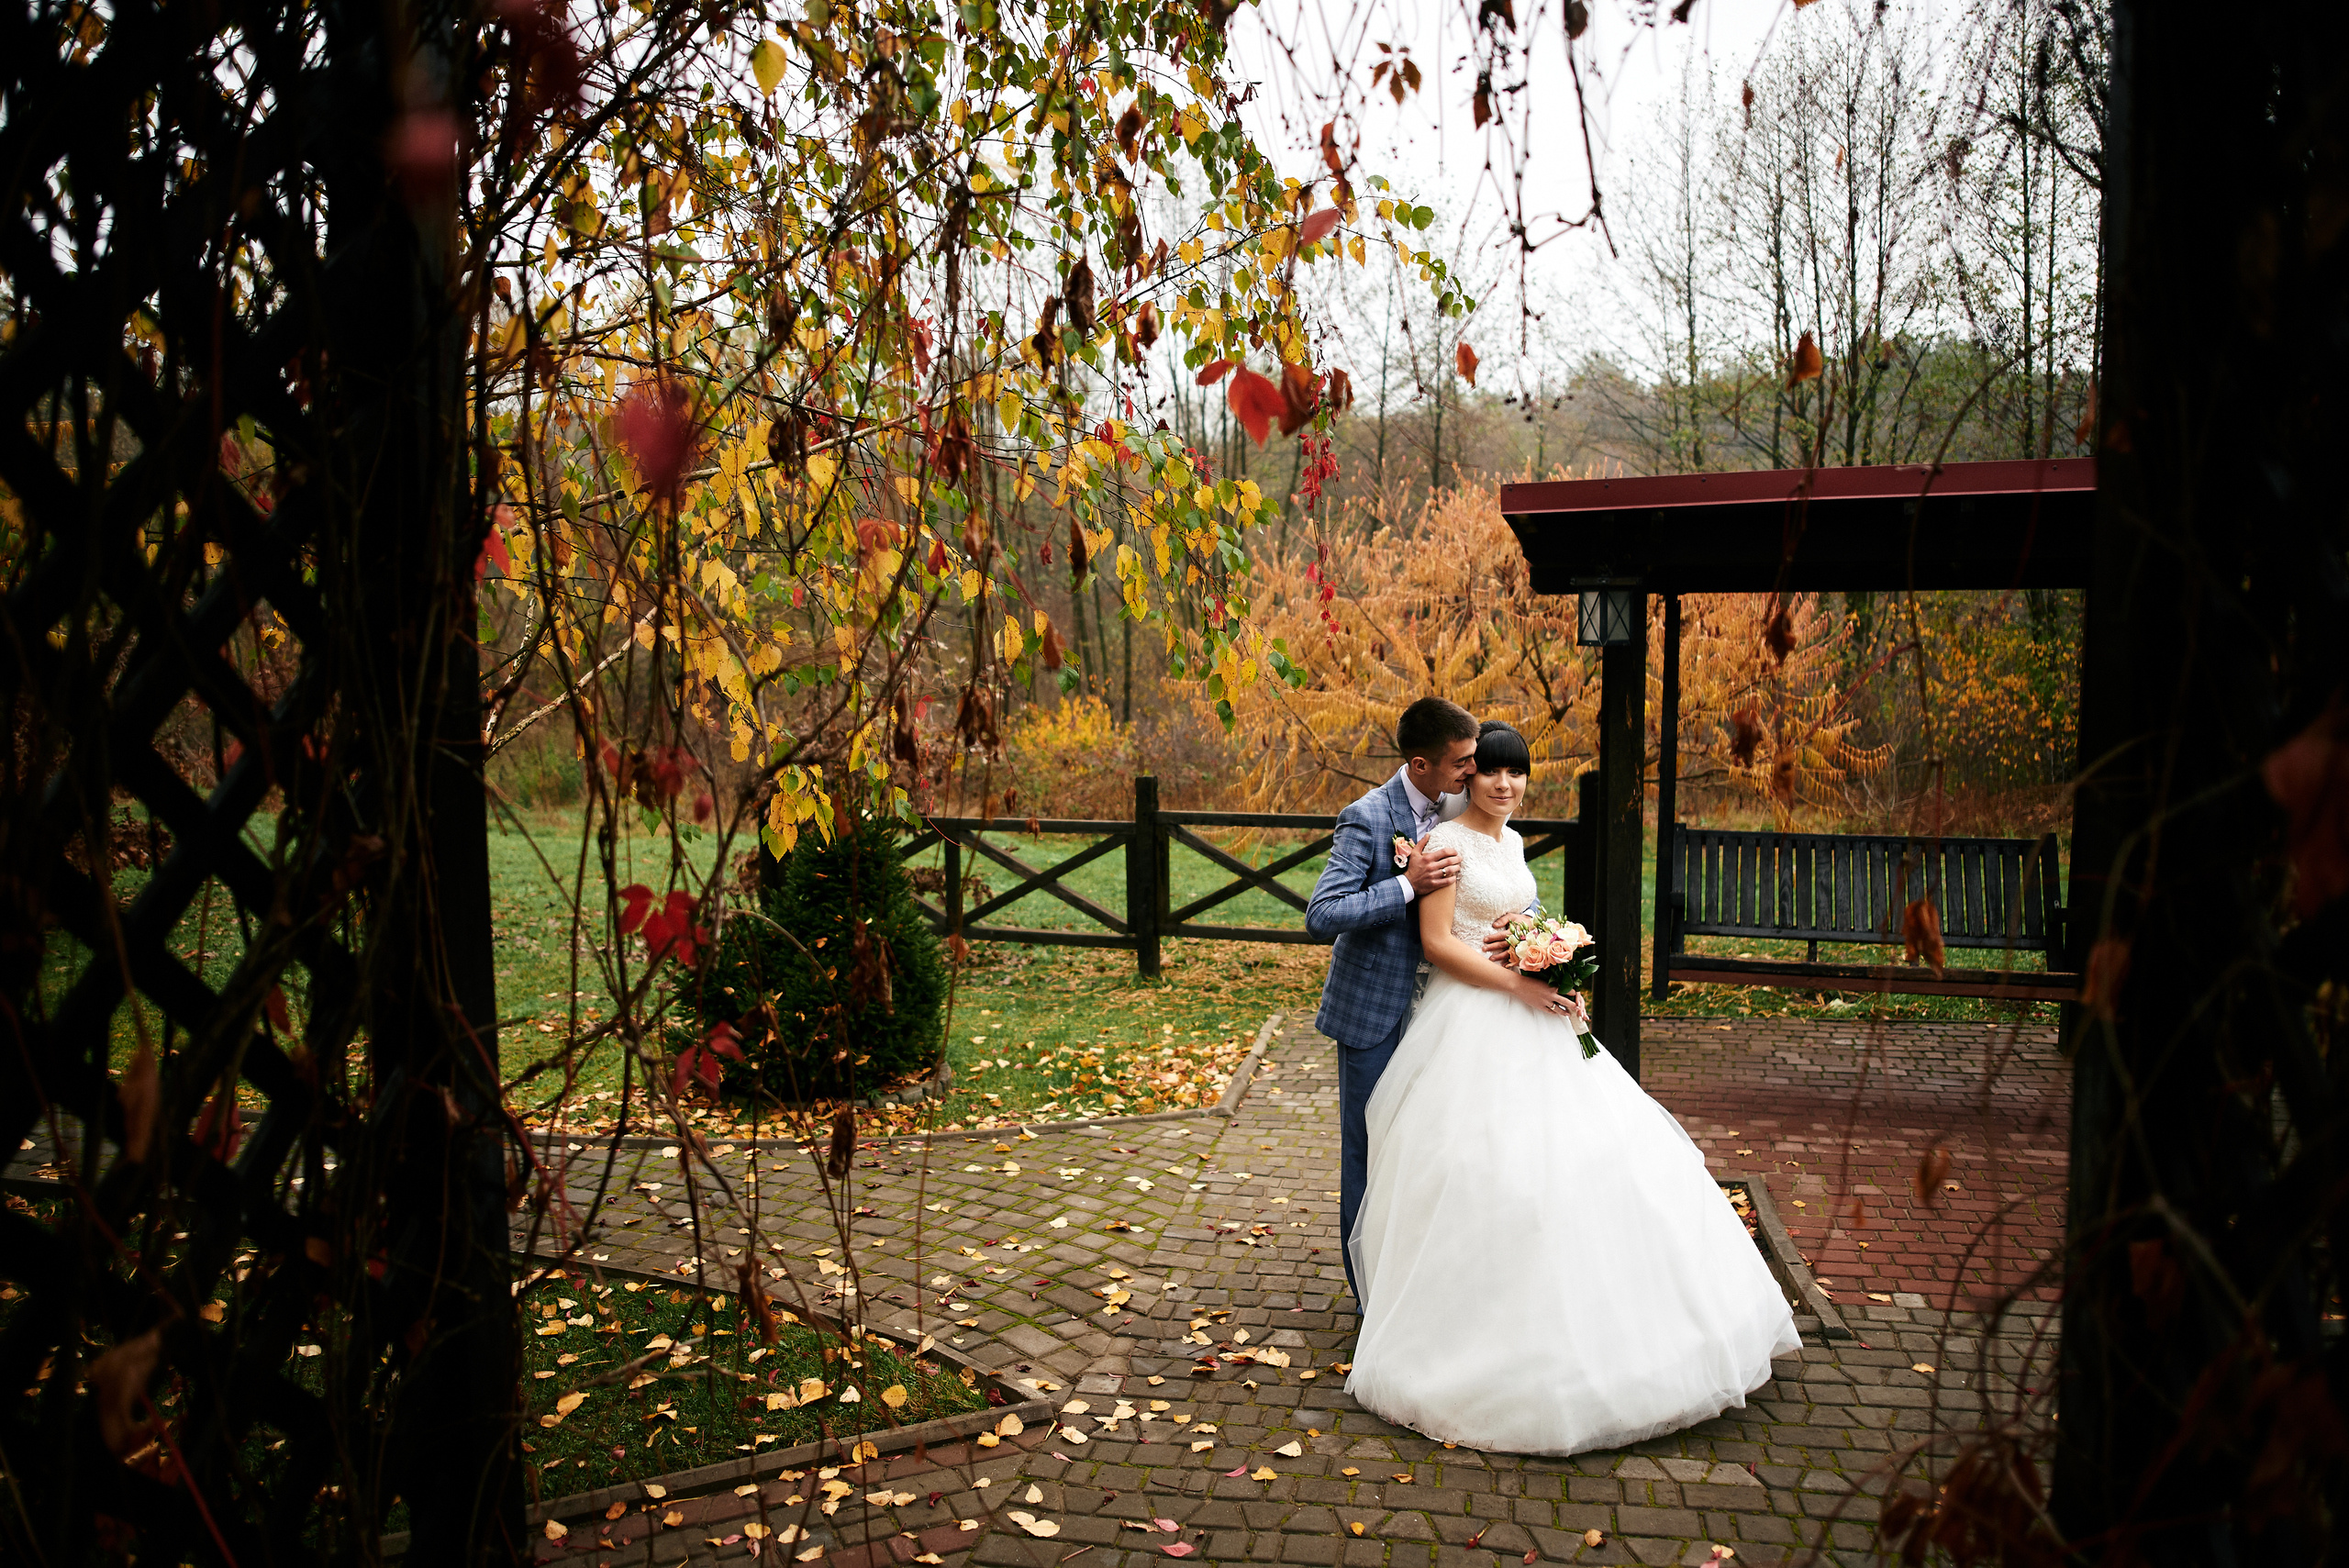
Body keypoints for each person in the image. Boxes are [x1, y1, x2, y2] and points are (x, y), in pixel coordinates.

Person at [1344, 720, 1800, 1456]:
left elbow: (1517, 917)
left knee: (1596, 1154)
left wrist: (1550, 966)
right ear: (1467, 778)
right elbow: (1437, 944)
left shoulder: (1514, 843)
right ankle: (1469, 1329)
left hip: (1533, 1011)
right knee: (1487, 1169)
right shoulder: (1447, 843)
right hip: (1469, 1022)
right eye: (1489, 771)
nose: (1504, 784)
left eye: (1516, 772)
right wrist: (1519, 988)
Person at [1304, 696, 1482, 1311]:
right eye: (1462, 762)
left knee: (1428, 1146)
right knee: (1369, 1148)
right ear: (1421, 763)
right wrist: (1409, 884)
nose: (1472, 771)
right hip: (1373, 1012)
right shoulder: (1367, 816)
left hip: (1442, 1011)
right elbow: (1322, 913)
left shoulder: (1460, 808)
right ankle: (1370, 1294)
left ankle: (1418, 1275)